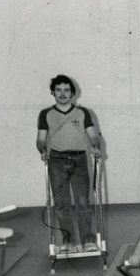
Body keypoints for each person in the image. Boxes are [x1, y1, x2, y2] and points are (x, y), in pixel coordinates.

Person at [36, 74, 102, 253]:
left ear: (73, 93)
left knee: (82, 202)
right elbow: (41, 139)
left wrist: (96, 147)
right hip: (56, 161)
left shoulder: (83, 113)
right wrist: (42, 150)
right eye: (58, 90)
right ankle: (69, 240)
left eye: (66, 90)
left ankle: (88, 240)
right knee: (62, 203)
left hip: (79, 160)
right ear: (53, 92)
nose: (62, 94)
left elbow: (93, 135)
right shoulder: (45, 114)